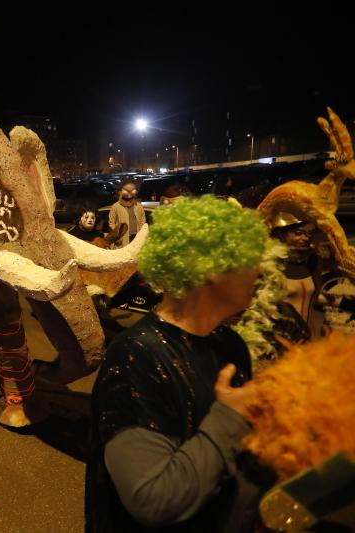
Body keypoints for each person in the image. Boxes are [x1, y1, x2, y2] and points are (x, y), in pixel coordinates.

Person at [86, 196, 271, 532]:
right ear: (213, 267)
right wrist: (231, 417)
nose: (260, 270)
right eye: (251, 259)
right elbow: (153, 498)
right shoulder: (136, 357)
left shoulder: (230, 344)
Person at [109, 178, 145, 247]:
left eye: (132, 190)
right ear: (121, 192)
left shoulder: (138, 206)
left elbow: (142, 222)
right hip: (122, 238)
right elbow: (111, 223)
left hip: (136, 237)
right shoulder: (116, 206)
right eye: (127, 190)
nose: (130, 192)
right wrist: (117, 236)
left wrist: (141, 235)